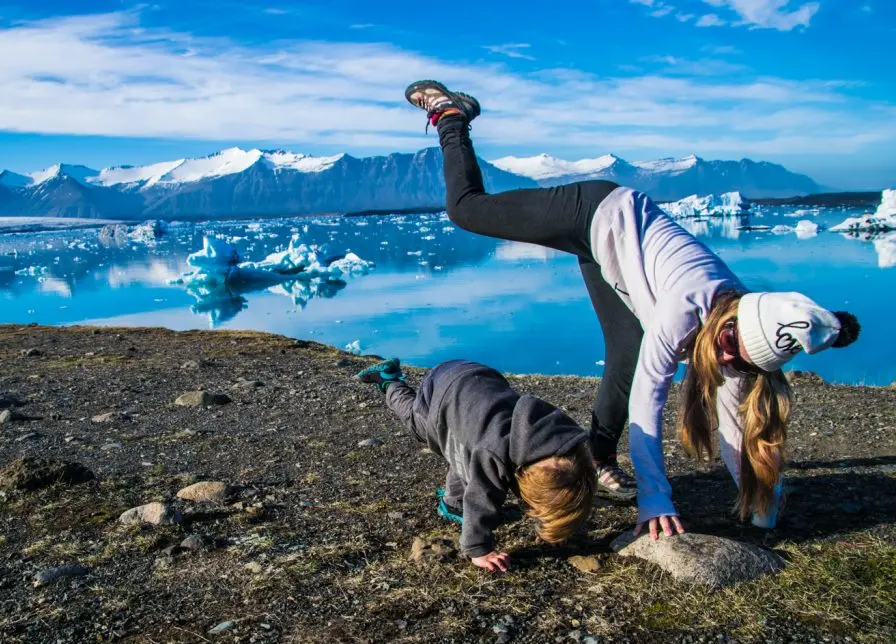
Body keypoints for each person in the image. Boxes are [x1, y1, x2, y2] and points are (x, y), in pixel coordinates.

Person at [403, 80, 861, 540]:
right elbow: (649, 401)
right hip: (594, 211)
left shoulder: (742, 338)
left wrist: (765, 505)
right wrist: (655, 496)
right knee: (467, 210)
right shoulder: (688, 305)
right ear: (733, 319)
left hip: (616, 255)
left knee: (625, 351)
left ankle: (597, 457)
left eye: (737, 360)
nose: (725, 360)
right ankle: (451, 115)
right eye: (727, 345)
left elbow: (742, 426)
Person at [357, 358, 596, 572]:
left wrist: (553, 523)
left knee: (464, 447)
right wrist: (478, 549)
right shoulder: (493, 453)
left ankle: (452, 502)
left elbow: (557, 482)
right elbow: (481, 497)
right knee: (417, 422)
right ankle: (389, 380)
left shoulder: (559, 439)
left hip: (477, 377)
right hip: (439, 391)